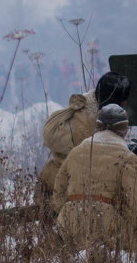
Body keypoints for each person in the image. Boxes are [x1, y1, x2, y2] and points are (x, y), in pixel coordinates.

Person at [52, 104, 137, 254]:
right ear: (124, 129)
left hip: (67, 223)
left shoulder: (76, 152)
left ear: (97, 126)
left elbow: (58, 192)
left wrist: (69, 211)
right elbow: (135, 205)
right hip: (106, 227)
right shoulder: (128, 158)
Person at [37, 71, 131, 212]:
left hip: (51, 176)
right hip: (69, 189)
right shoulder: (97, 124)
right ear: (120, 102)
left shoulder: (83, 107)